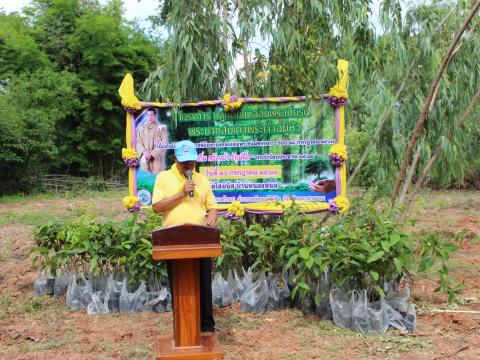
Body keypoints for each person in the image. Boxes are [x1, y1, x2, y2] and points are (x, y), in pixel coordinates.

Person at [151, 140, 218, 332]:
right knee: (179, 286)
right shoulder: (163, 178)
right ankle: (183, 327)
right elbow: (157, 207)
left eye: (191, 161)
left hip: (201, 240)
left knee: (204, 285)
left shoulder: (202, 179)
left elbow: (212, 207)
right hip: (174, 242)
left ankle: (206, 328)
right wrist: (181, 193)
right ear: (175, 159)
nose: (188, 165)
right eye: (184, 161)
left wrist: (212, 220)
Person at [136, 108, 168, 174]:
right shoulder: (141, 129)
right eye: (147, 115)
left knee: (157, 176)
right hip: (144, 157)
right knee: (145, 178)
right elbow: (138, 142)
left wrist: (152, 154)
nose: (149, 117)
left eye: (151, 115)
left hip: (157, 159)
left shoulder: (161, 128)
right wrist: (144, 152)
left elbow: (164, 143)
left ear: (155, 116)